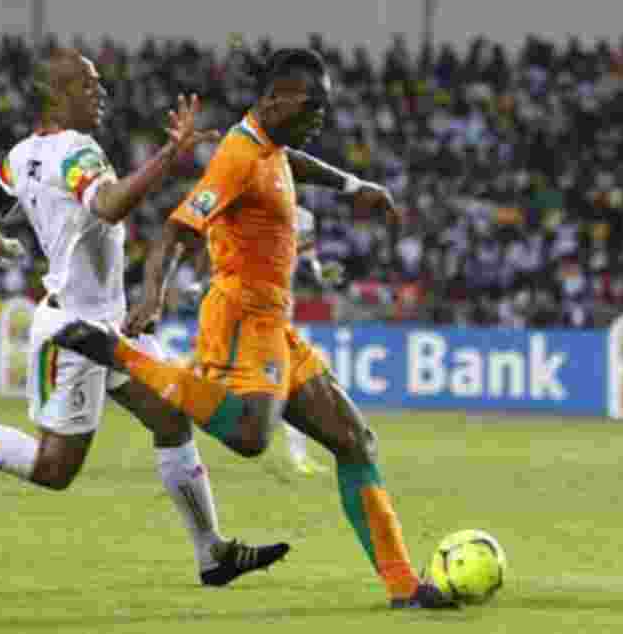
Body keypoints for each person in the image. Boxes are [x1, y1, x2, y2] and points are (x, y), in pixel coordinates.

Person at [0, 48, 288, 586]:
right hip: (75, 334)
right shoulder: (77, 152)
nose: (100, 93)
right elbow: (108, 205)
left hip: (108, 327)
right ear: (56, 95)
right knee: (53, 469)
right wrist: (170, 153)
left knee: (171, 418)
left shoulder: (20, 155)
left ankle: (212, 554)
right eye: (88, 85)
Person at [53, 48, 454, 609]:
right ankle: (119, 355)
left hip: (274, 319)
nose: (323, 115)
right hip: (238, 316)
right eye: (314, 104)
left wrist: (352, 185)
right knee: (248, 435)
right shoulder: (237, 156)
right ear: (275, 99)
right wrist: (152, 294)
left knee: (354, 440)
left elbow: (295, 165)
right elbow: (175, 231)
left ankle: (404, 587)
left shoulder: (273, 148)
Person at [131, 205, 341, 476]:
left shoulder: (304, 218)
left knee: (288, 384)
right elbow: (214, 246)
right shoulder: (248, 208)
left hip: (276, 316)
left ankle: (298, 456)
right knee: (213, 373)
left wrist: (322, 273)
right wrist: (198, 281)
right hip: (243, 313)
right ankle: (158, 376)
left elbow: (308, 261)